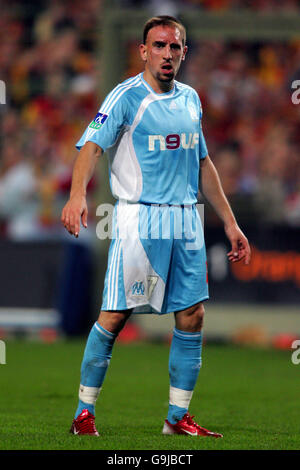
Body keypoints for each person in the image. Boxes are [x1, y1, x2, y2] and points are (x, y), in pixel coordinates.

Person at [61, 15, 251, 438]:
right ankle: (82, 414)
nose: (168, 54)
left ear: (184, 52)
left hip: (186, 219)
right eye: (159, 46)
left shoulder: (191, 99)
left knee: (193, 314)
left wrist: (231, 223)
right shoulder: (126, 96)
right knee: (114, 316)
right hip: (139, 218)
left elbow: (203, 163)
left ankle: (176, 418)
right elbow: (91, 148)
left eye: (175, 47)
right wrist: (78, 195)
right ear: (144, 51)